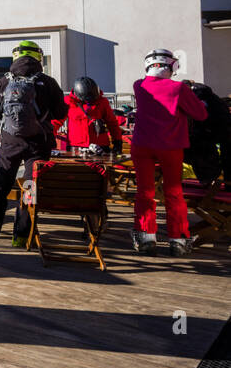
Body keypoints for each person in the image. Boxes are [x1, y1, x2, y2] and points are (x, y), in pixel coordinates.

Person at [0, 41, 67, 247]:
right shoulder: (48, 82)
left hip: (10, 141)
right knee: (30, 187)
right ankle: (22, 235)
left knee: (1, 182)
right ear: (38, 58)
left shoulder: (2, 82)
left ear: (15, 57)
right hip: (38, 143)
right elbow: (61, 112)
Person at [130, 48, 208, 256]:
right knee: (173, 192)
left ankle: (146, 237)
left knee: (144, 192)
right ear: (171, 66)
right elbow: (200, 114)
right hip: (170, 146)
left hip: (142, 144)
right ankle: (178, 239)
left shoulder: (139, 85)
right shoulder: (178, 88)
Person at [54, 76, 123, 153]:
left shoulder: (102, 102)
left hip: (100, 145)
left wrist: (117, 141)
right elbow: (56, 121)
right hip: (76, 147)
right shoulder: (68, 101)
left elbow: (112, 123)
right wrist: (49, 138)